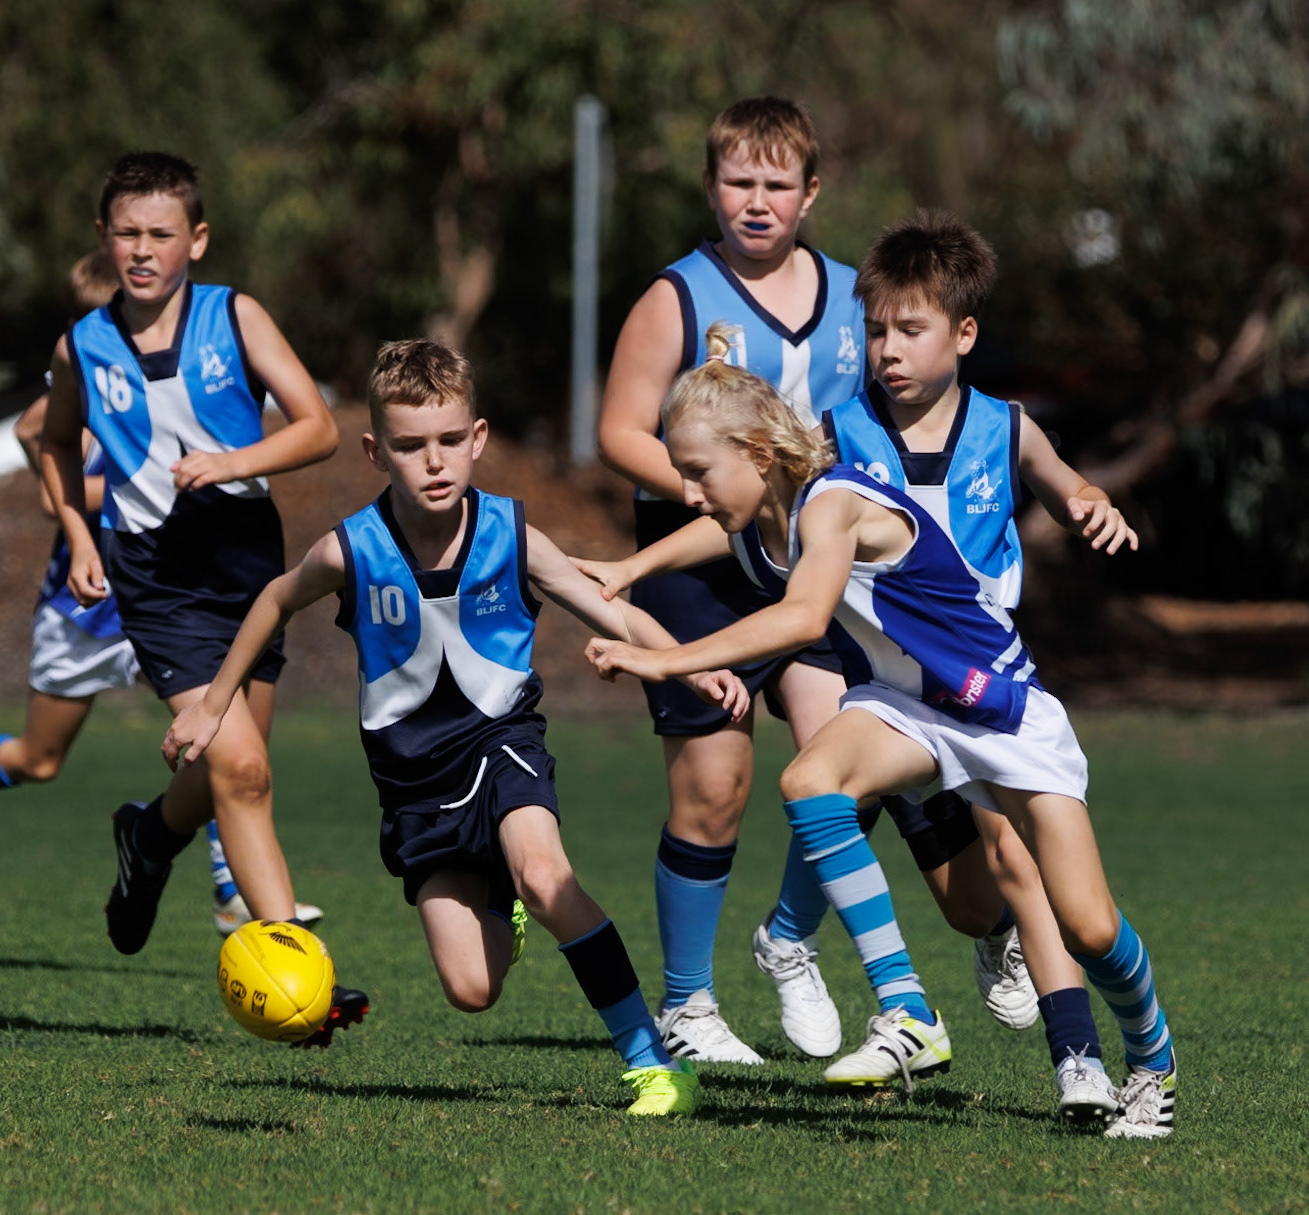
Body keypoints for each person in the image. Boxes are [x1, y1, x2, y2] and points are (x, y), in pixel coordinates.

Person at [585, 314, 1175, 1136]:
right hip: (905, 707)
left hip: (998, 708)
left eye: (697, 472)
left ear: (757, 455)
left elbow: (802, 617)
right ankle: (907, 1007)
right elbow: (714, 533)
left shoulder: (830, 504)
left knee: (1090, 924)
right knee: (810, 781)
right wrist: (630, 568)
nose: (688, 491)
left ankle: (1152, 1057)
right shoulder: (759, 519)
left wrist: (666, 659)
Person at [162, 338, 750, 1114]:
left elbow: (611, 609)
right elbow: (274, 598)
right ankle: (503, 898)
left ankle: (652, 1062)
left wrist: (690, 665)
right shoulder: (350, 549)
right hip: (415, 782)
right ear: (376, 451)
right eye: (410, 445)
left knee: (547, 875)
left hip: (503, 743)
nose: (433, 462)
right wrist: (212, 703)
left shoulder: (512, 534)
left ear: (477, 439)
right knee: (472, 989)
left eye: (448, 440)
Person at [593, 96, 1033, 1064]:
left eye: (776, 183)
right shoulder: (675, 297)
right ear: (710, 187)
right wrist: (723, 493)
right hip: (705, 557)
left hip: (813, 556)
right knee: (716, 783)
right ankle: (688, 1005)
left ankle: (791, 938)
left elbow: (902, 415)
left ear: (811, 191)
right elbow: (619, 430)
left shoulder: (852, 299)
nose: (756, 201)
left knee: (843, 749)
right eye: (738, 181)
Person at [0, 251, 325, 928]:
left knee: (228, 738)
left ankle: (231, 886)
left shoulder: (189, 366)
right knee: (40, 756)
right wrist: (112, 499)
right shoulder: (92, 370)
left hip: (170, 586)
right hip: (90, 599)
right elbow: (36, 442)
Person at [34, 154, 343, 978]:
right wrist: (80, 535)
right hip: (157, 578)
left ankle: (146, 837)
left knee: (226, 773)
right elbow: (55, 443)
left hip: (249, 570)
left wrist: (234, 462)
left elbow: (319, 428)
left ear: (196, 240)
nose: (142, 250)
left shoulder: (235, 317)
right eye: (127, 233)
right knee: (240, 767)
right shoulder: (82, 346)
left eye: (161, 234)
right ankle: (296, 969)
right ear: (103, 238)